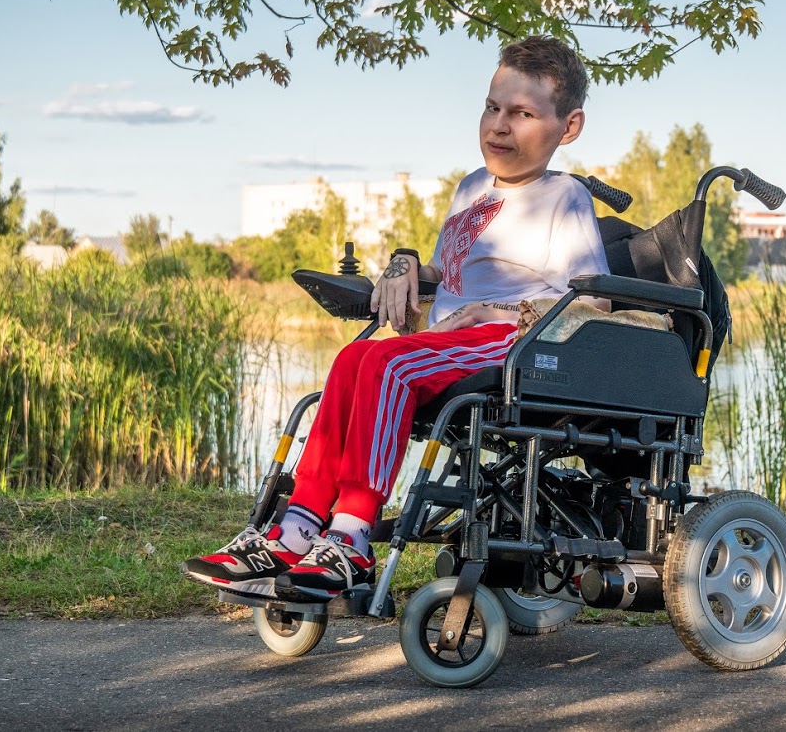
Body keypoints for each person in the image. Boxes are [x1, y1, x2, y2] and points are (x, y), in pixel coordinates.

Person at [181, 35, 610, 603]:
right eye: (492, 107)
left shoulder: (565, 197)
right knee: (354, 356)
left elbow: (593, 300)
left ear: (568, 126)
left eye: (522, 114)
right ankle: (298, 525)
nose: (499, 126)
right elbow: (448, 273)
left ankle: (353, 535)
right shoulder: (472, 189)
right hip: (449, 341)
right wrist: (407, 265)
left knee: (386, 363)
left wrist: (500, 309)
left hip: (512, 345)